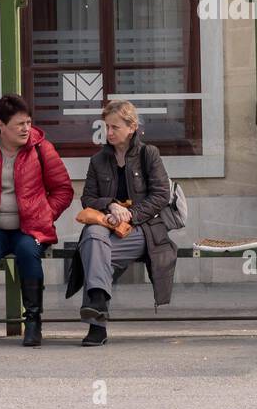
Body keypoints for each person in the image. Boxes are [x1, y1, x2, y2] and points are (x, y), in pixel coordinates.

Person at [0, 94, 73, 348]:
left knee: (29, 252)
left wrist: (45, 215)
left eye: (28, 122)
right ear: (1, 125)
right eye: (19, 124)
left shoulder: (42, 149)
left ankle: (33, 325)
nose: (26, 129)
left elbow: (63, 189)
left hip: (29, 229)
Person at [65, 100, 177, 347]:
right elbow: (88, 198)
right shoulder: (98, 160)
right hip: (106, 225)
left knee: (94, 249)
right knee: (94, 235)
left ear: (132, 127)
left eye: (115, 127)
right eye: (107, 127)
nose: (109, 132)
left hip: (142, 229)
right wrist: (111, 205)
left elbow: (160, 195)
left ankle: (96, 322)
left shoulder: (149, 154)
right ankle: (98, 304)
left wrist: (131, 214)